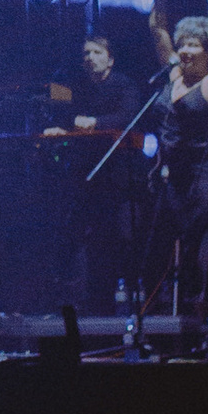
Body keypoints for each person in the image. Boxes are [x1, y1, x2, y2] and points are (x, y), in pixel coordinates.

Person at [141, 0, 208, 347]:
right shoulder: (174, 75)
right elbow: (157, 30)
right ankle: (163, 333)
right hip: (170, 177)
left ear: (207, 53)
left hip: (204, 176)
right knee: (158, 254)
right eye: (184, 44)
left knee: (203, 256)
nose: (186, 50)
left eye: (194, 44)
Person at [42, 30, 141, 312]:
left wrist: (95, 122)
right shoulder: (74, 86)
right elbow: (57, 107)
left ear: (109, 60)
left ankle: (132, 293)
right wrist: (62, 128)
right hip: (86, 174)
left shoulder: (125, 85)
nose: (89, 58)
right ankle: (89, 299)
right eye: (86, 53)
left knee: (123, 236)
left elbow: (129, 116)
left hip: (120, 176)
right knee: (86, 236)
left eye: (96, 53)